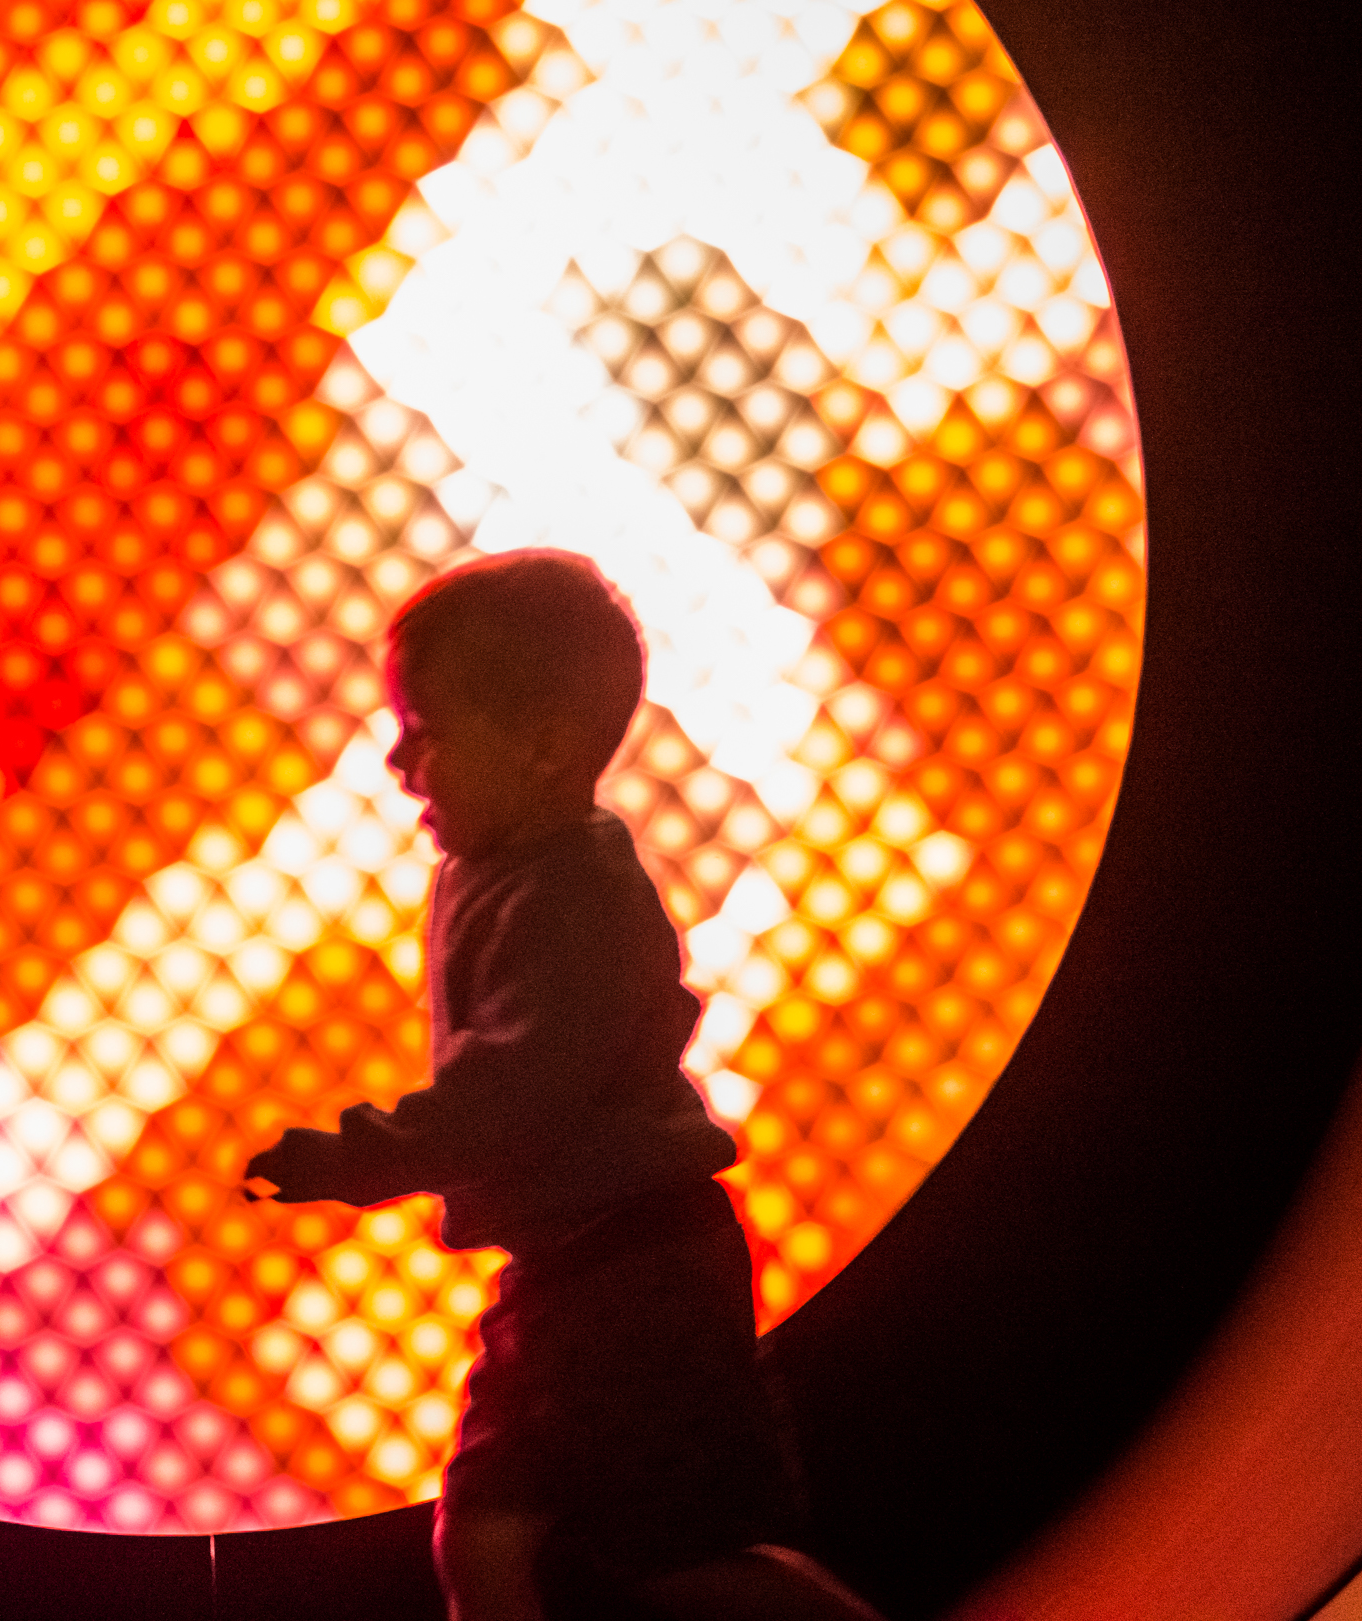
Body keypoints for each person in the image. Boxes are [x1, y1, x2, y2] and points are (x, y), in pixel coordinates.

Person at [244, 550, 884, 1621]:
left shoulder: (577, 899)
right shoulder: (495, 870)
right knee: (483, 1538)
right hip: (564, 1275)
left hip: (635, 1283)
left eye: (424, 732)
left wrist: (359, 1158)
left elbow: (511, 1096)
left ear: (542, 747)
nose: (397, 762)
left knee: (676, 1557)